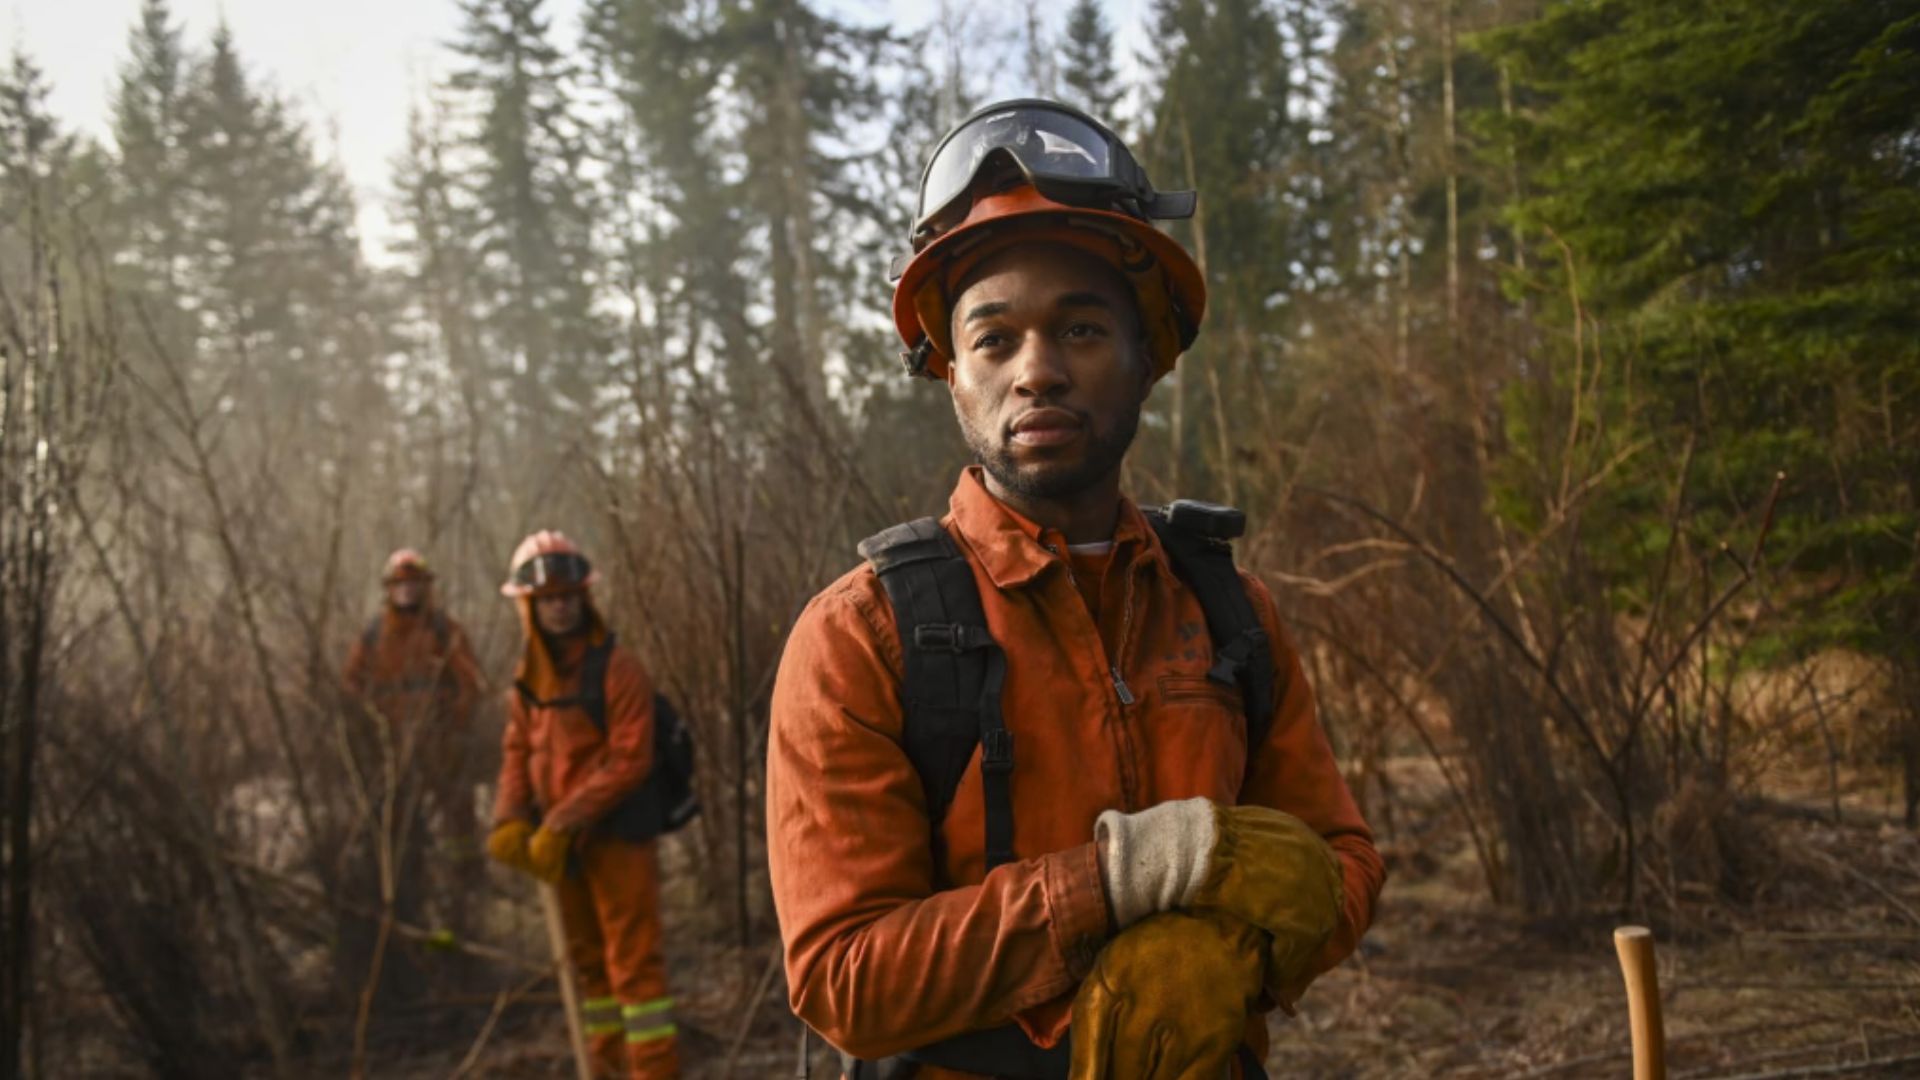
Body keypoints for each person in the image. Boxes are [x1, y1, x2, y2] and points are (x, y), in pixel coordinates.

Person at [766, 99, 1384, 1079]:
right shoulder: (865, 636)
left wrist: (1221, 961)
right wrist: (1123, 878)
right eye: (995, 339)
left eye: (1083, 329)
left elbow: (1342, 861)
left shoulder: (1228, 613)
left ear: (1149, 357)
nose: (1038, 371)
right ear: (949, 371)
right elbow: (844, 981)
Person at [485, 530, 680, 1079]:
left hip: (618, 840)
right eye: (547, 600)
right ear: (528, 606)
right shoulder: (527, 682)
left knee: (634, 971)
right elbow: (517, 751)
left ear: (585, 597)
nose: (560, 607)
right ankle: (606, 1069)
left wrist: (564, 819)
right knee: (590, 974)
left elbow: (630, 760)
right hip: (563, 848)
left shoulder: (618, 668)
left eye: (568, 596)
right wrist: (507, 820)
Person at [341, 547, 484, 971]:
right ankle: (409, 890)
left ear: (426, 587)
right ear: (389, 590)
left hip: (438, 744)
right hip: (392, 749)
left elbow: (471, 682)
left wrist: (453, 725)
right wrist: (370, 723)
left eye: (414, 584)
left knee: (456, 813)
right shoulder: (373, 635)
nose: (408, 591)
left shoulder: (443, 630)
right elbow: (350, 683)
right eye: (400, 585)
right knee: (401, 824)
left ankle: (465, 886)